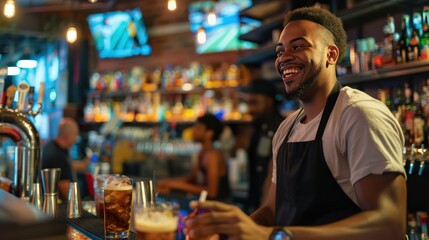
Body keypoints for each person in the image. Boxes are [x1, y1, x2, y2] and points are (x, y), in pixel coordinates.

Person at [183, 7, 407, 240]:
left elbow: (388, 224)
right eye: (280, 51)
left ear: (331, 54)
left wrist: (276, 236)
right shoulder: (286, 129)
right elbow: (272, 211)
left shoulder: (358, 115)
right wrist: (230, 231)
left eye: (299, 46)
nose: (284, 57)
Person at [157, 113, 230, 201]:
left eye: (198, 128)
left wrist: (175, 185)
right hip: (207, 206)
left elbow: (212, 192)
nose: (193, 131)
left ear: (209, 133)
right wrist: (168, 183)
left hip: (219, 209)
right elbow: (192, 178)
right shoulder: (203, 152)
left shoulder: (213, 155)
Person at [241, 79, 284, 212]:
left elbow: (272, 178)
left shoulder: (282, 128)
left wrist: (262, 214)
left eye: (254, 103)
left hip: (272, 210)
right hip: (256, 204)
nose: (250, 109)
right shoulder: (258, 127)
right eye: (248, 103)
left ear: (269, 101)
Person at [42, 117, 90, 200]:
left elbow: (67, 165)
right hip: (59, 206)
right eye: (75, 136)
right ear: (67, 137)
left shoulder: (52, 146)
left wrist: (83, 164)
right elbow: (66, 191)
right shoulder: (57, 156)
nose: (75, 140)